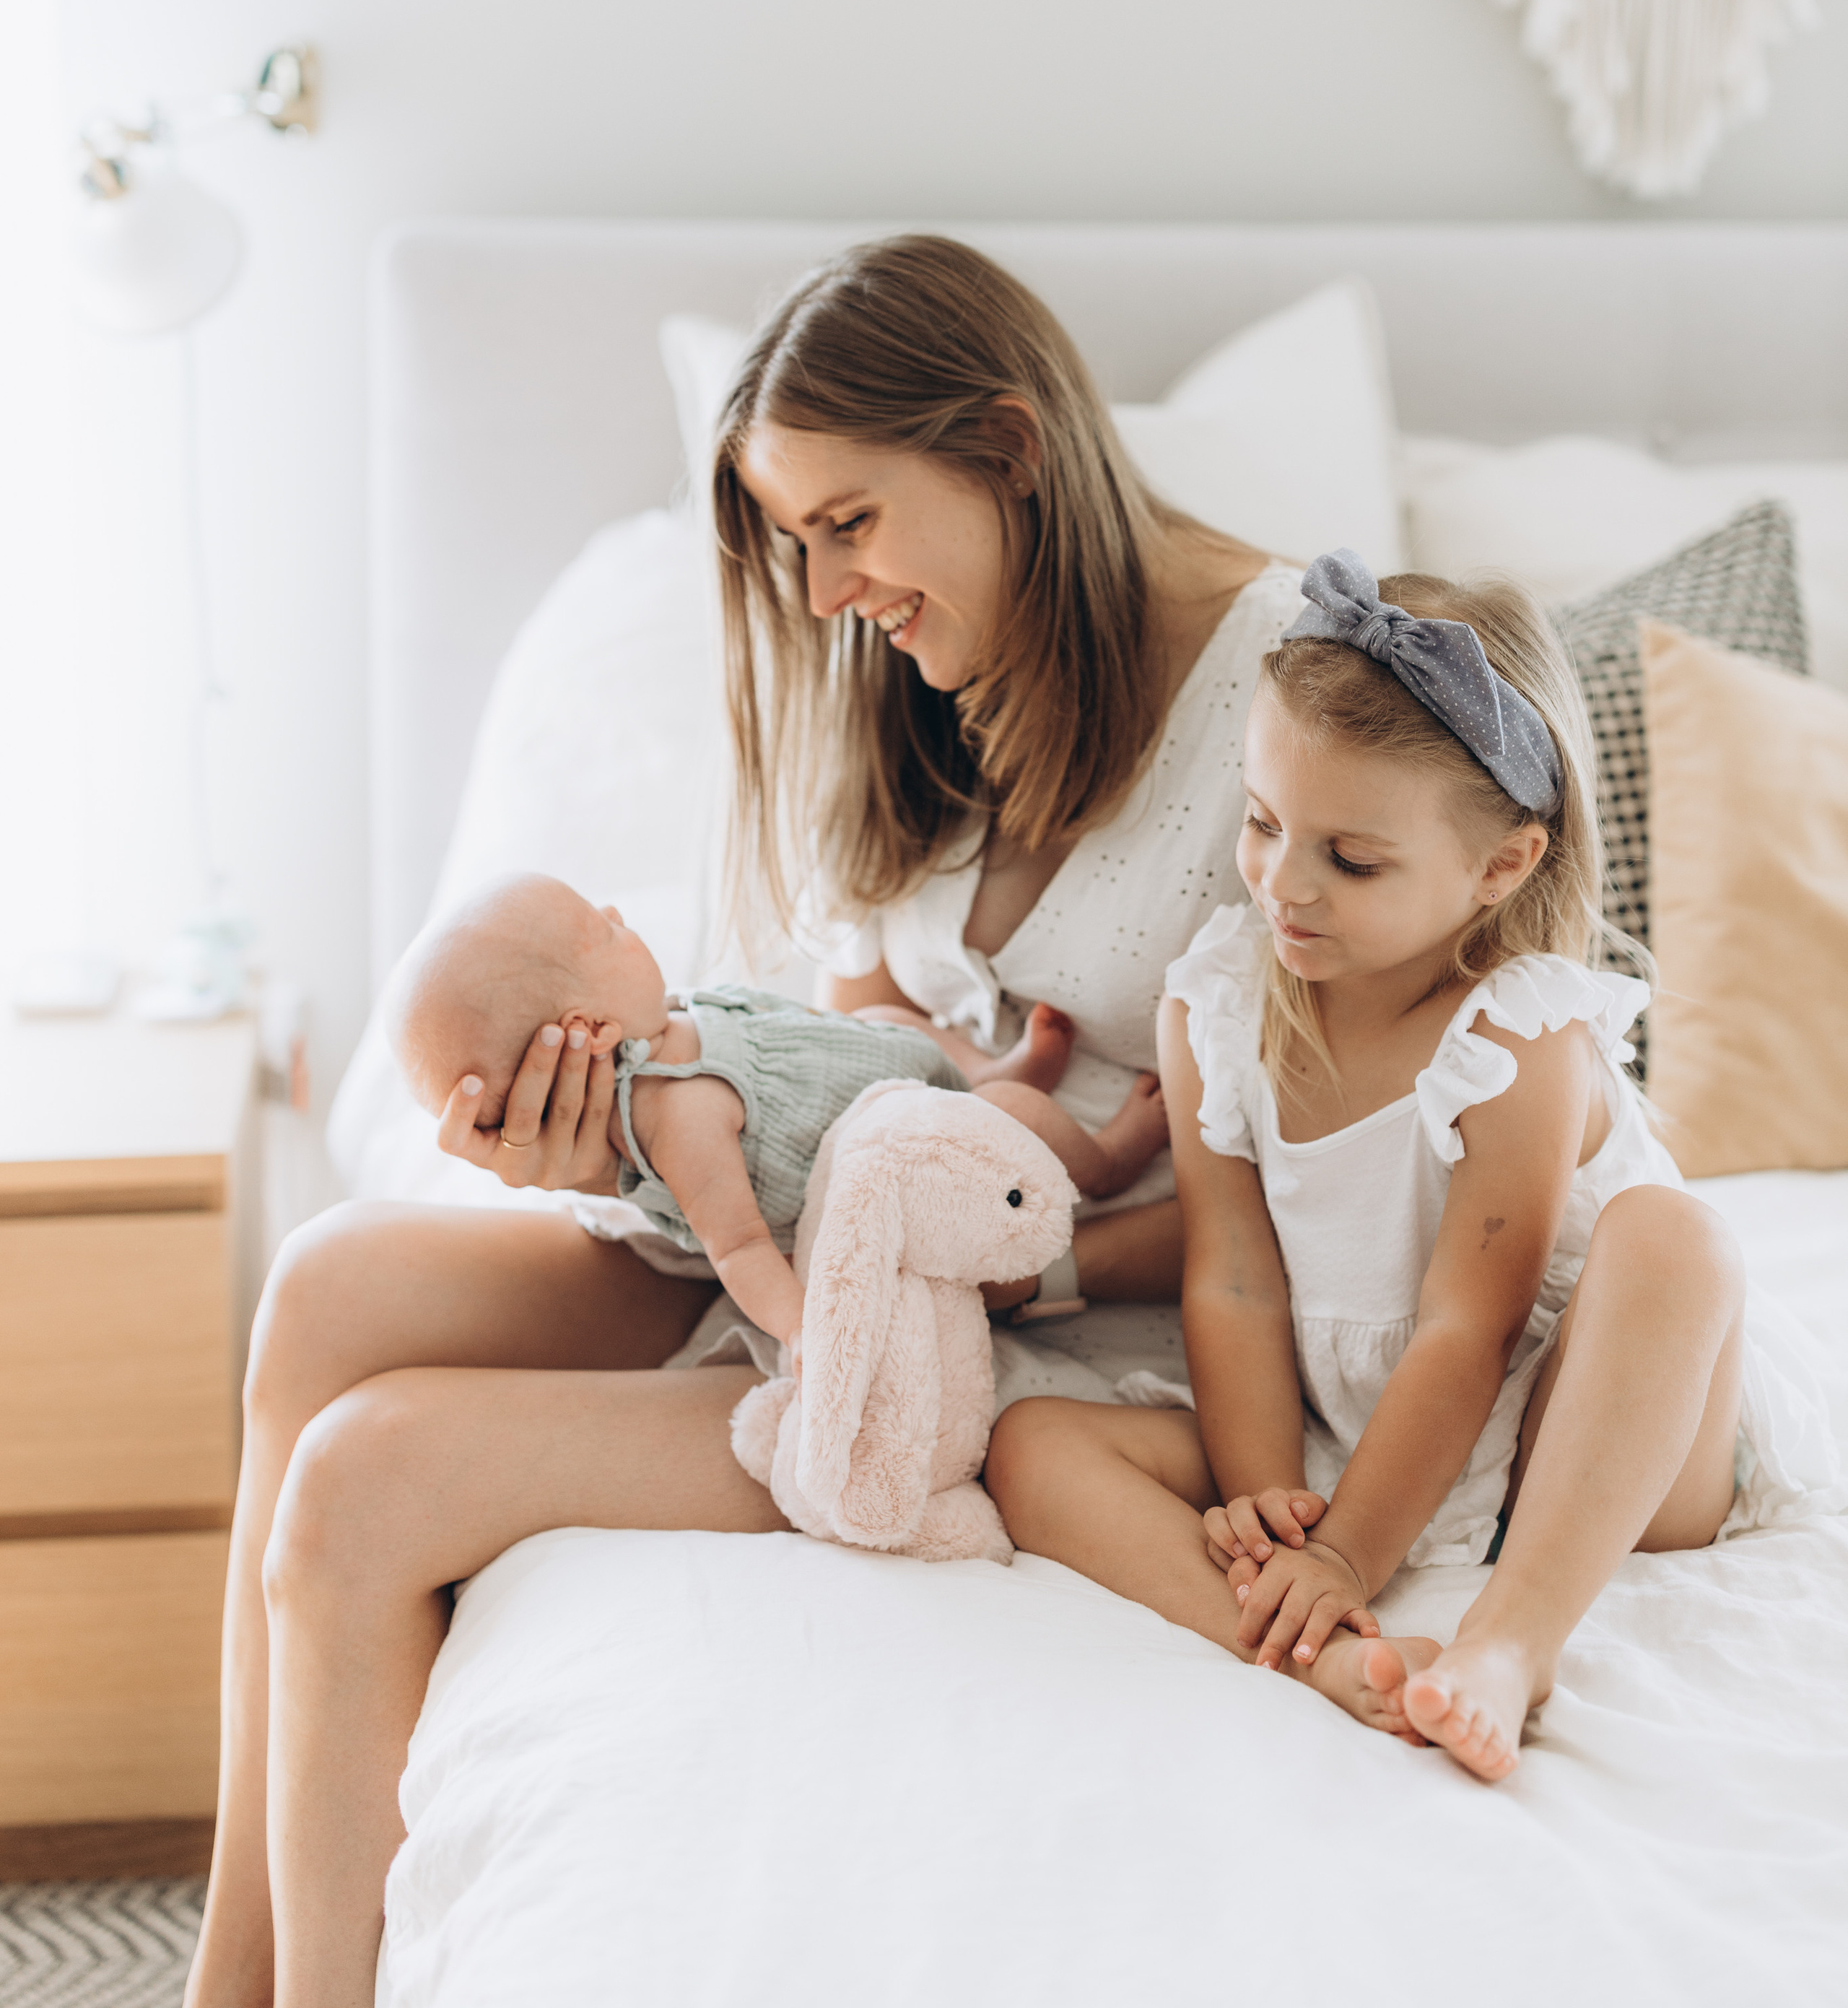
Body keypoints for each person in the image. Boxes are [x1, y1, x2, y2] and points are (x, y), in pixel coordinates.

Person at [183, 234, 1298, 2008]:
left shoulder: (1289, 698)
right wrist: (628, 1164)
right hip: (838, 1219)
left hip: (1071, 1315)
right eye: (790, 539)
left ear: (1008, 448)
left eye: (847, 521)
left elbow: (1301, 1195)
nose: (821, 584)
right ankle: (227, 1984)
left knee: (366, 1478)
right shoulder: (913, 670)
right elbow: (856, 1033)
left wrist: (961, 1232)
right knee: (323, 1288)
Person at [986, 552, 1831, 1781]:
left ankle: (1509, 1641)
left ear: (1501, 867)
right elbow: (1232, 1279)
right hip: (1344, 1424)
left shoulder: (1517, 1038)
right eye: (1265, 825)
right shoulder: (1219, 1005)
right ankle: (1301, 1648)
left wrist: (1351, 1556)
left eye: (1352, 859)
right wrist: (1274, 1510)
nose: (1284, 883)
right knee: (1030, 1449)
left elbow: (1465, 1330)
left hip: (1570, 1423)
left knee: (1677, 1240)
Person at [388, 873, 1169, 1364]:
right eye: (602, 930)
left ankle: (987, 1067)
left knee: (896, 1017)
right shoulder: (678, 1112)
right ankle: (1105, 1160)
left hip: (895, 1075)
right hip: (924, 1164)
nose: (621, 911)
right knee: (1010, 1115)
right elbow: (739, 1245)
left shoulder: (670, 1023)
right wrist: (811, 1334)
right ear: (588, 1029)